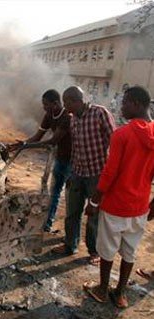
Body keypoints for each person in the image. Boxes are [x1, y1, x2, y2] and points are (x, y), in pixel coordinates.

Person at [83, 86, 154, 308]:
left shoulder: (122, 134)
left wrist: (94, 201)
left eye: (124, 102)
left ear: (136, 103)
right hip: (140, 206)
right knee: (129, 251)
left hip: (115, 206)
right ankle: (120, 294)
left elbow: (109, 173)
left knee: (107, 249)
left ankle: (103, 290)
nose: (121, 107)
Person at [53, 86, 115, 265]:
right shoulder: (73, 119)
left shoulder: (99, 113)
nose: (65, 106)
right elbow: (76, 149)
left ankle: (94, 250)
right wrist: (72, 173)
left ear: (75, 100)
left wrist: (109, 173)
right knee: (72, 212)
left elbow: (115, 142)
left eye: (66, 103)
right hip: (77, 173)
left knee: (94, 216)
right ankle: (70, 244)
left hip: (97, 174)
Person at [11, 89, 72, 232]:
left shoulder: (66, 117)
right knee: (54, 192)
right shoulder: (49, 115)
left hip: (73, 161)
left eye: (46, 104)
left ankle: (68, 234)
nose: (44, 107)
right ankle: (47, 223)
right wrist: (24, 144)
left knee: (70, 198)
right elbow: (38, 136)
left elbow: (52, 141)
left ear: (56, 103)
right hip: (59, 158)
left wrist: (28, 145)